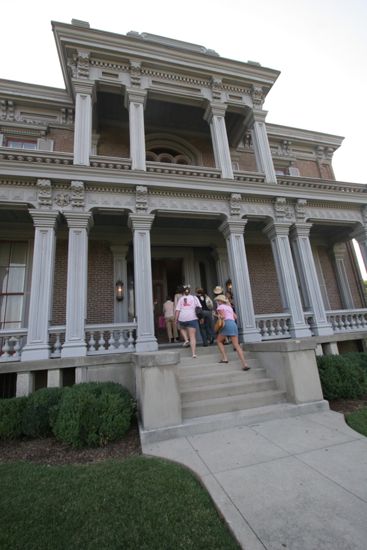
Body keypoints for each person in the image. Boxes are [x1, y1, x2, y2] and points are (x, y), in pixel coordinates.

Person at [214, 294, 250, 371]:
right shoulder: (229, 307)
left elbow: (223, 317)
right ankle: (244, 364)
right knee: (236, 345)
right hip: (233, 324)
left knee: (219, 341)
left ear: (220, 301)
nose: (217, 301)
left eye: (217, 300)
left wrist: (217, 315)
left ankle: (225, 358)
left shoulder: (220, 307)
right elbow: (235, 317)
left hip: (226, 324)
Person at [175, 285, 201, 358]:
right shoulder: (194, 298)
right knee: (192, 336)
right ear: (190, 291)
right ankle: (193, 354)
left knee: (181, 328)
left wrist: (176, 319)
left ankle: (186, 339)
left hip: (182, 318)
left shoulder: (181, 299)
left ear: (183, 292)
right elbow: (199, 307)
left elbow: (177, 310)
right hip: (192, 317)